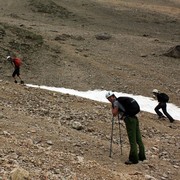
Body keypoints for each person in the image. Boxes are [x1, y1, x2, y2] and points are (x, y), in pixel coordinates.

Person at [106, 91, 146, 165]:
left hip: (129, 120)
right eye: (108, 99)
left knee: (132, 139)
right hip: (134, 118)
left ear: (113, 96)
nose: (110, 99)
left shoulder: (115, 102)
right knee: (138, 138)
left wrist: (113, 108)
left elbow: (114, 113)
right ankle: (142, 156)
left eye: (110, 98)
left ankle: (133, 159)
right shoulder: (120, 101)